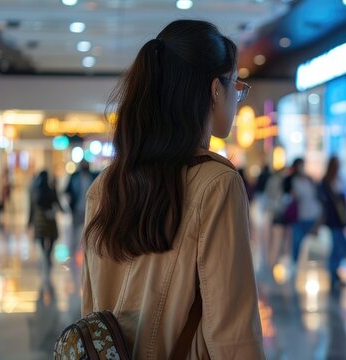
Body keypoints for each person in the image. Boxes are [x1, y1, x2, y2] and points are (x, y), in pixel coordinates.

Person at [81, 20, 263, 358]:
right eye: (235, 86)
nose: (237, 97)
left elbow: (92, 315)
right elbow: (233, 333)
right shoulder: (216, 184)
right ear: (214, 90)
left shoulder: (104, 186)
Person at [318, 157, 346, 289]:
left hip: (339, 219)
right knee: (337, 246)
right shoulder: (326, 182)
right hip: (333, 219)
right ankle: (333, 274)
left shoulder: (338, 180)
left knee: (341, 247)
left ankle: (334, 272)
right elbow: (326, 201)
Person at [284, 158, 321, 266]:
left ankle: (306, 265)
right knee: (296, 242)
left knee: (310, 244)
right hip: (299, 216)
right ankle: (294, 265)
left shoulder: (309, 180)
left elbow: (314, 197)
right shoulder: (291, 180)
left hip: (312, 214)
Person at [29, 171, 62, 270]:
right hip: (50, 217)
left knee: (42, 237)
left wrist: (30, 220)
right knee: (51, 237)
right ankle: (47, 253)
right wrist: (62, 209)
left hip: (40, 218)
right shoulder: (51, 188)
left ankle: (45, 252)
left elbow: (32, 206)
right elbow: (56, 200)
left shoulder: (36, 189)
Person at [65, 160, 97, 256]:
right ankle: (73, 250)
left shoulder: (93, 176)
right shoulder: (74, 177)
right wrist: (71, 203)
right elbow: (67, 190)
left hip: (90, 209)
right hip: (77, 208)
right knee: (75, 230)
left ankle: (90, 249)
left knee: (90, 230)